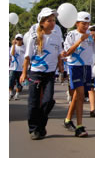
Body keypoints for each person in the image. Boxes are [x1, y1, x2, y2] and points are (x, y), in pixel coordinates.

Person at [19, 9, 63, 140]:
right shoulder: (35, 38)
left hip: (50, 74)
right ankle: (34, 129)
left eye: (54, 20)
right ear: (42, 22)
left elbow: (60, 53)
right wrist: (24, 73)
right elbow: (27, 57)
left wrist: (61, 67)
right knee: (33, 102)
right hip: (36, 73)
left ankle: (41, 125)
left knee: (48, 101)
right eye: (49, 20)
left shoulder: (56, 36)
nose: (52, 23)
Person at [62, 11, 95, 137]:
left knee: (77, 96)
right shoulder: (72, 35)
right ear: (77, 23)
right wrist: (80, 40)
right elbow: (67, 52)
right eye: (83, 24)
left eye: (87, 24)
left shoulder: (91, 36)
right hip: (75, 67)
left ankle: (68, 120)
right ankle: (79, 126)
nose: (85, 26)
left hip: (87, 68)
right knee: (80, 95)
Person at [9, 34, 25, 100]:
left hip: (21, 68)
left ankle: (17, 94)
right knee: (10, 81)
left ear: (22, 40)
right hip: (13, 67)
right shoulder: (13, 47)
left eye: (20, 39)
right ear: (15, 40)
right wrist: (13, 45)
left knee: (20, 83)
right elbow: (12, 54)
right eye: (17, 39)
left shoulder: (25, 47)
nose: (19, 41)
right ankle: (10, 93)